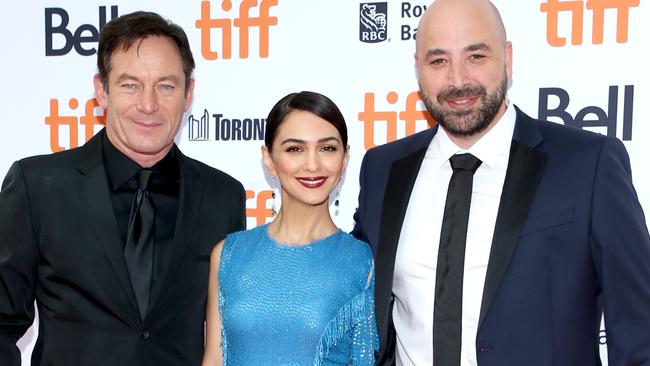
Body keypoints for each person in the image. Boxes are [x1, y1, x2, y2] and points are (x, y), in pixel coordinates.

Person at [351, 0, 650, 365]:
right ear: (418, 68)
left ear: (507, 59)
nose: (458, 80)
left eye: (476, 56)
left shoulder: (588, 165)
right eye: (438, 60)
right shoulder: (383, 169)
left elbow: (639, 328)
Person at [0, 11, 246, 366]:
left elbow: (229, 331)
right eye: (130, 84)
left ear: (189, 93)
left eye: (166, 86)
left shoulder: (222, 196)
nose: (148, 105)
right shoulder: (37, 186)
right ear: (101, 89)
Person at [202, 91, 379, 365]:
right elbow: (213, 358)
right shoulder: (228, 255)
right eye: (295, 149)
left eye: (327, 148)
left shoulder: (362, 263)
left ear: (344, 159)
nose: (312, 164)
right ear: (269, 159)